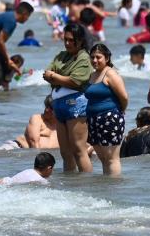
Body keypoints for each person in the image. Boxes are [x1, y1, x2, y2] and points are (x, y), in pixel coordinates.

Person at [44, 23, 93, 173]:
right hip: (59, 106)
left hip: (76, 105)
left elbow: (75, 81)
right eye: (65, 39)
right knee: (65, 153)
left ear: (80, 41)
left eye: (71, 40)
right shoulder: (61, 55)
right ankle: (71, 186)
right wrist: (56, 77)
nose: (67, 43)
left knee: (79, 150)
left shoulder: (84, 58)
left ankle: (87, 184)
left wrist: (55, 76)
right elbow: (47, 73)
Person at [85, 43, 128, 176]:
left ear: (107, 58)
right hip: (93, 120)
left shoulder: (111, 74)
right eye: (92, 57)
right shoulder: (92, 75)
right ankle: (106, 188)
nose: (95, 60)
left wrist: (120, 111)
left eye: (98, 57)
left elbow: (124, 97)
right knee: (103, 159)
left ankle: (114, 188)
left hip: (109, 118)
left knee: (111, 159)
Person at [0, 2, 33, 93]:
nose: (27, 19)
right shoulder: (11, 20)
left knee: (10, 67)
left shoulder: (10, 18)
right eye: (28, 16)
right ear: (24, 14)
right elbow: (0, 41)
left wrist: (8, 62)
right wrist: (7, 59)